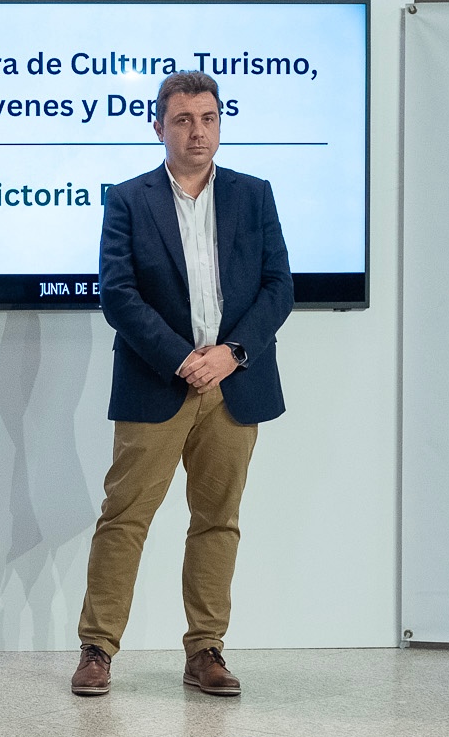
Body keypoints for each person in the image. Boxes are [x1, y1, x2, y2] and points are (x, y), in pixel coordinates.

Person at [71, 71, 293, 699]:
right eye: (183, 120)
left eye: (209, 118)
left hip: (235, 384)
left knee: (217, 520)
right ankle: (97, 648)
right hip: (156, 383)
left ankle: (206, 651)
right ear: (158, 127)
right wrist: (181, 358)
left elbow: (280, 288)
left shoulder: (254, 195)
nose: (198, 132)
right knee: (125, 518)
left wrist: (231, 354)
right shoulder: (130, 199)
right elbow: (117, 294)